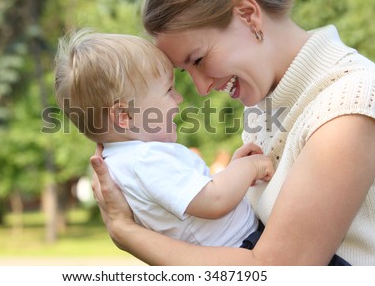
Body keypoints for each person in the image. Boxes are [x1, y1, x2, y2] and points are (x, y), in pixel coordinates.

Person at [90, 0, 375, 265]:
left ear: (248, 14)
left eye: (198, 59)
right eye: (186, 70)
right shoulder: (265, 104)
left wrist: (126, 232)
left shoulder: (350, 101)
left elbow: (272, 273)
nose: (201, 88)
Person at [54, 28, 276, 247]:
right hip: (242, 246)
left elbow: (197, 202)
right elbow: (215, 200)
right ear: (124, 115)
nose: (178, 98)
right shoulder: (145, 160)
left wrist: (232, 171)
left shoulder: (123, 164)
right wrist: (251, 168)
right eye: (168, 90)